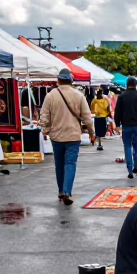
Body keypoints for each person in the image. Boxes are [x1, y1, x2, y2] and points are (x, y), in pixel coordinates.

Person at [39, 68, 94, 205]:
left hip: (56, 136)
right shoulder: (79, 95)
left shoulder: (50, 95)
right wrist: (92, 133)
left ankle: (61, 191)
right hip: (73, 136)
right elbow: (87, 118)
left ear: (58, 80)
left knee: (59, 164)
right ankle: (67, 191)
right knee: (70, 164)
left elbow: (44, 115)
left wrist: (45, 129)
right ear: (71, 80)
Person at [114, 77, 137, 179]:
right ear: (135, 85)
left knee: (127, 147)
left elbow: (117, 112)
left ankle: (129, 170)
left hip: (126, 126)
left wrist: (117, 124)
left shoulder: (121, 97)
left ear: (126, 85)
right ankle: (136, 165)